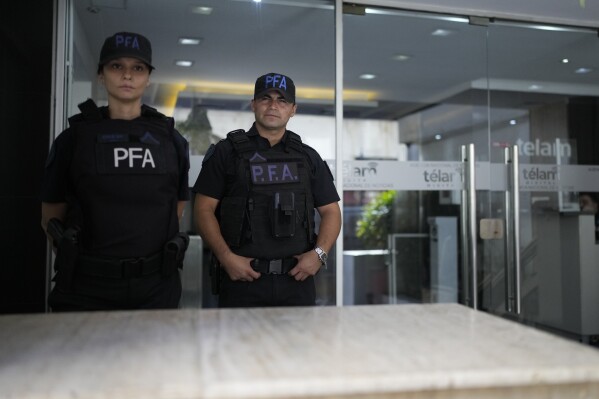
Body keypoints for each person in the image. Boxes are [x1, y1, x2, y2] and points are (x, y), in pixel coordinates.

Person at [40, 32, 190, 311]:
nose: (127, 76)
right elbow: (50, 216)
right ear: (101, 75)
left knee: (155, 356)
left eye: (137, 68)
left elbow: (176, 208)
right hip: (86, 287)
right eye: (116, 66)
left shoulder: (171, 140)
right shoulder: (74, 138)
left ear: (147, 78)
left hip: (155, 287)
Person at [193, 72, 341, 307]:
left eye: (282, 100)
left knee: (298, 345)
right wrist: (225, 258)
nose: (273, 106)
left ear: (293, 109)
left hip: (297, 281)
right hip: (242, 280)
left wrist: (319, 255)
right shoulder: (226, 153)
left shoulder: (307, 157)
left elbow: (331, 212)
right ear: (253, 104)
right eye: (265, 98)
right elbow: (203, 209)